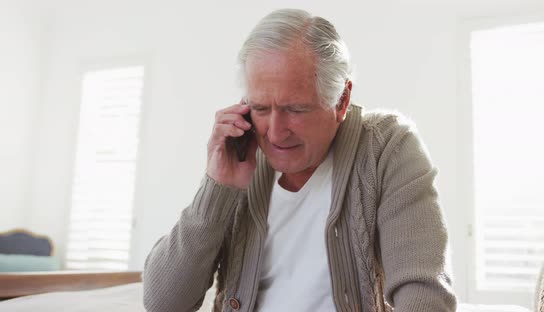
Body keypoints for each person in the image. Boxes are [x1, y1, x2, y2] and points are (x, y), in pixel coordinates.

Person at [143, 8, 457, 312]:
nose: (276, 133)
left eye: (296, 109)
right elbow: (162, 303)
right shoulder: (240, 155)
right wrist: (218, 187)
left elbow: (425, 296)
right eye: (261, 108)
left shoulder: (387, 146)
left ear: (341, 100)